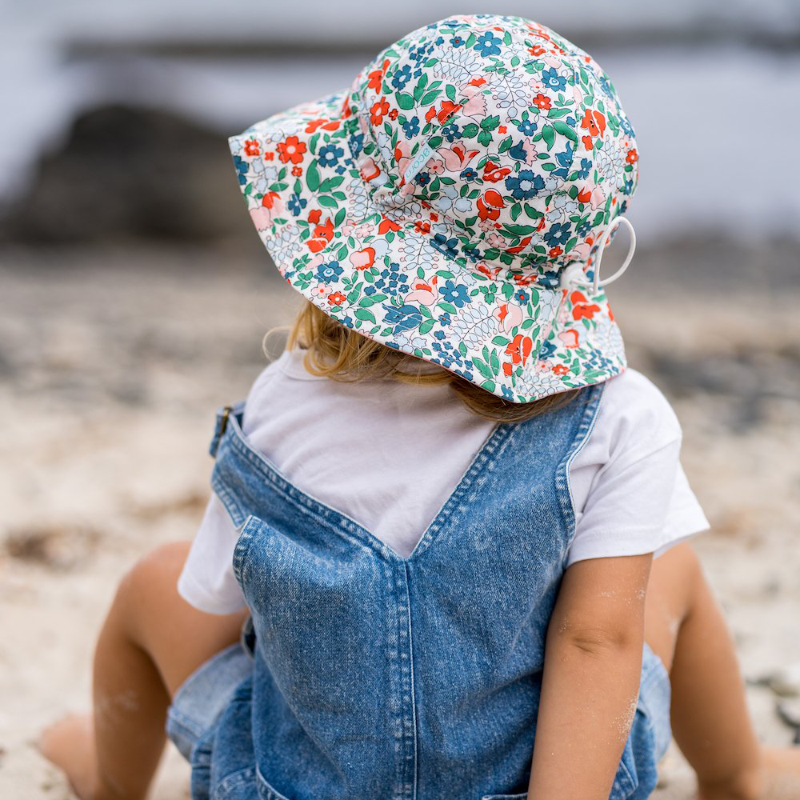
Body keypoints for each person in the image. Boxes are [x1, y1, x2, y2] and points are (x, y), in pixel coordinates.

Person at [37, 14, 800, 800]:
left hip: (289, 787)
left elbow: (230, 602)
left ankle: (105, 780)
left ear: (353, 237)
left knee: (151, 584)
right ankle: (738, 774)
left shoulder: (282, 402)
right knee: (666, 567)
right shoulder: (620, 419)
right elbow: (594, 643)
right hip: (541, 780)